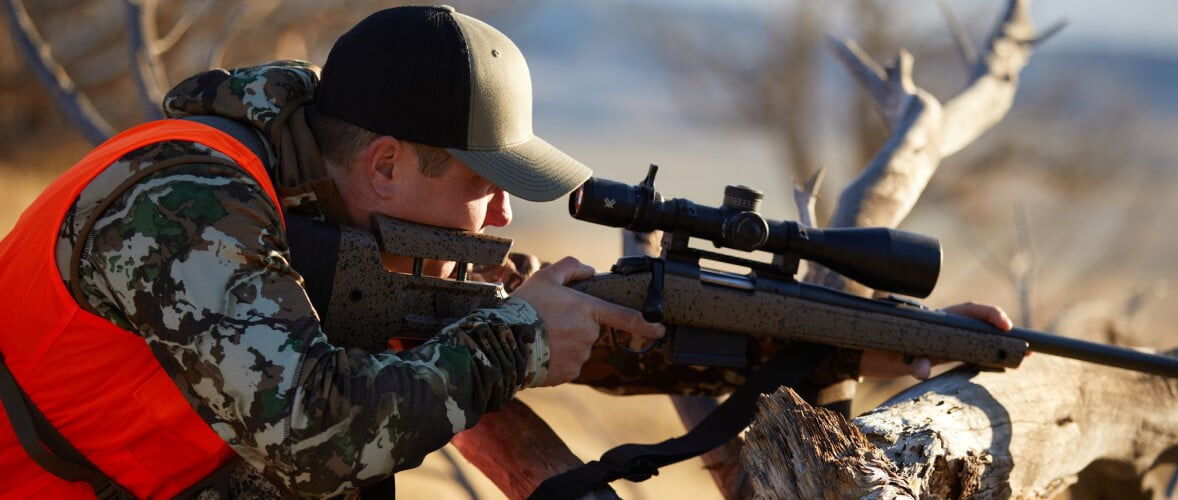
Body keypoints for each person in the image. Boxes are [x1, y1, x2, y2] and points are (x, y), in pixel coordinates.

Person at [0, 5, 1012, 498]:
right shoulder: (187, 203)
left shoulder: (329, 208)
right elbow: (308, 430)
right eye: (481, 184)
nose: (498, 219)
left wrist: (891, 345)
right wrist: (516, 339)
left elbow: (597, 346)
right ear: (387, 166)